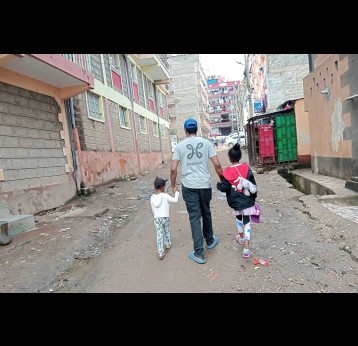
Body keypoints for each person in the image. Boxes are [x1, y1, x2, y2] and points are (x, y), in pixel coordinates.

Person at [170, 118, 223, 264]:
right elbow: (217, 165)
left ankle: (199, 253)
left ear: (185, 131)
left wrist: (173, 185)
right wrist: (222, 180)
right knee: (206, 212)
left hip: (189, 186)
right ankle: (210, 241)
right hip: (204, 185)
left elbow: (173, 169)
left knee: (194, 217)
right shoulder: (207, 143)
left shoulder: (180, 146)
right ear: (197, 130)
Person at [216, 143, 258, 258]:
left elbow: (224, 187)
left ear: (230, 158)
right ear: (239, 156)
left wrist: (218, 185)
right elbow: (253, 184)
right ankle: (246, 248)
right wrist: (254, 197)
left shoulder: (227, 172)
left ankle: (241, 237)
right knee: (247, 222)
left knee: (239, 219)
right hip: (247, 200)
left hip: (235, 202)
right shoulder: (246, 168)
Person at [150, 176, 180, 260]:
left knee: (159, 235)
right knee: (166, 230)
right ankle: (168, 243)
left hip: (156, 218)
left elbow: (153, 208)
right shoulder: (165, 196)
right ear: (163, 187)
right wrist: (176, 192)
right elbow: (175, 200)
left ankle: (160, 252)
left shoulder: (152, 198)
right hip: (165, 217)